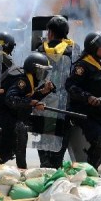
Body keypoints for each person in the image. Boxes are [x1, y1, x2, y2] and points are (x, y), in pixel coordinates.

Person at [65, 31, 101, 170]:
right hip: (82, 112)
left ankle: (89, 171)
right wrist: (87, 97)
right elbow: (71, 86)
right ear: (93, 47)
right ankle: (88, 172)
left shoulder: (97, 63)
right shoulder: (82, 65)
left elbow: (94, 80)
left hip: (96, 112)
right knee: (100, 142)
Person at [0, 52, 54, 169]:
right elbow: (11, 99)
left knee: (6, 153)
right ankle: (22, 168)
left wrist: (44, 91)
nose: (44, 74)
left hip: (13, 115)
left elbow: (28, 97)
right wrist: (31, 103)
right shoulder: (22, 80)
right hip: (4, 114)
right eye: (41, 70)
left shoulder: (30, 78)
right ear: (33, 69)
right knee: (21, 134)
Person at [36, 15, 76, 168]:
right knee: (61, 135)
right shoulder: (72, 51)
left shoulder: (40, 49)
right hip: (64, 103)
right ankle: (56, 165)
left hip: (43, 101)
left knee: (44, 135)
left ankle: (44, 165)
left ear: (50, 32)